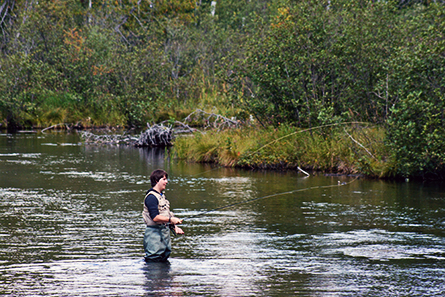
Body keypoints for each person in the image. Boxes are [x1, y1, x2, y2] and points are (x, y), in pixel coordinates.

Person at [142, 169, 184, 262]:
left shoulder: (162, 196)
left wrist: (174, 227)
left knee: (164, 265)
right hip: (154, 236)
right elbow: (155, 217)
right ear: (157, 180)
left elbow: (165, 214)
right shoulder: (151, 197)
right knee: (154, 263)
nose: (166, 182)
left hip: (164, 236)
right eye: (164, 179)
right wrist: (171, 220)